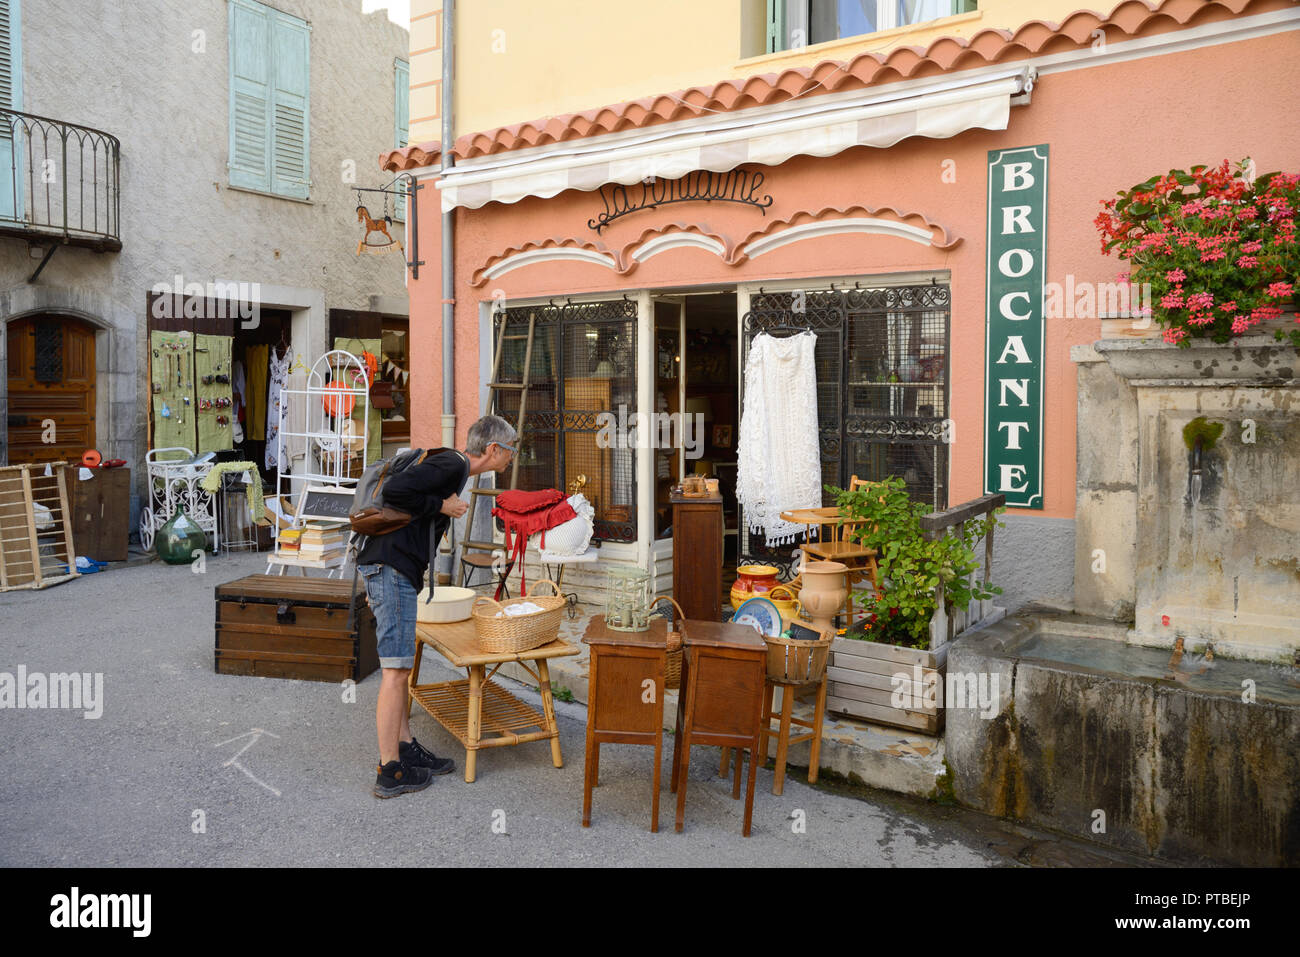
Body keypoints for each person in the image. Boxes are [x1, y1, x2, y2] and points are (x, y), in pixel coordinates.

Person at [358, 414, 518, 798]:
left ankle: (406, 748)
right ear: (493, 449)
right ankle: (389, 770)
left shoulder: (454, 467)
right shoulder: (453, 464)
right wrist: (442, 506)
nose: (512, 458)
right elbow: (397, 492)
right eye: (511, 451)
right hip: (391, 567)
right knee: (396, 671)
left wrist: (439, 505)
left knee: (400, 666)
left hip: (390, 567)